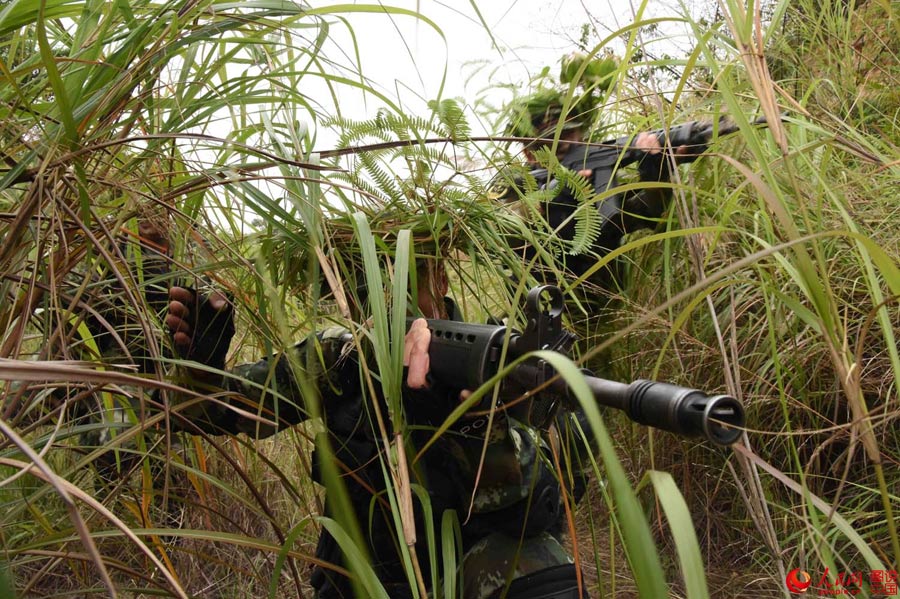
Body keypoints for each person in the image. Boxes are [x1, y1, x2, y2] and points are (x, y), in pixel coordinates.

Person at [165, 255, 587, 598]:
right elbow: (215, 412)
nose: (387, 304)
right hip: (361, 578)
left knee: (541, 567)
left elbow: (545, 507)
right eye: (367, 283)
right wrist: (201, 368)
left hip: (464, 573)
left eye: (403, 281)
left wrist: (472, 423)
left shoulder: (500, 364)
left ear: (439, 278)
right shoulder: (342, 358)